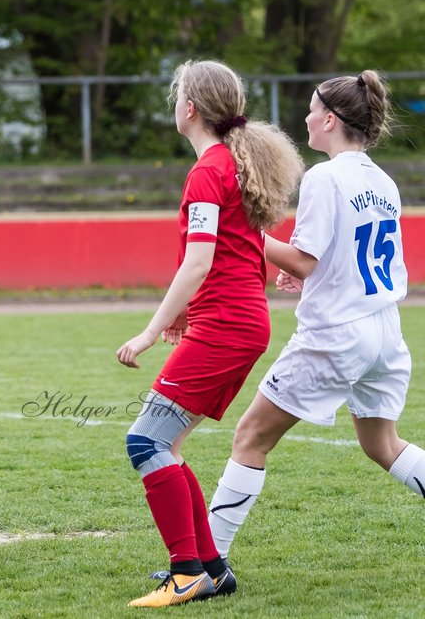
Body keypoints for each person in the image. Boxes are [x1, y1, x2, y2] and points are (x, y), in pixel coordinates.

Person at [206, 71, 425, 578]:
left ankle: (208, 563)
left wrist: (246, 234)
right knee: (383, 446)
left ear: (329, 119)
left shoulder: (325, 178)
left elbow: (304, 259)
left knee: (250, 437)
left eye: (310, 110)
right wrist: (309, 275)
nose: (304, 118)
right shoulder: (382, 180)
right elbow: (349, 261)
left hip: (336, 336)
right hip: (385, 332)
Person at [115, 59, 303, 608]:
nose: (175, 105)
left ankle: (186, 571)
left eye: (177, 97)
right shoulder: (232, 166)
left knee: (146, 441)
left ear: (190, 108)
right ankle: (211, 569)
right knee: (165, 443)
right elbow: (228, 252)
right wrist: (182, 316)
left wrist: (150, 331)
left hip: (226, 326)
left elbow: (198, 263)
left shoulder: (207, 170)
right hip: (237, 323)